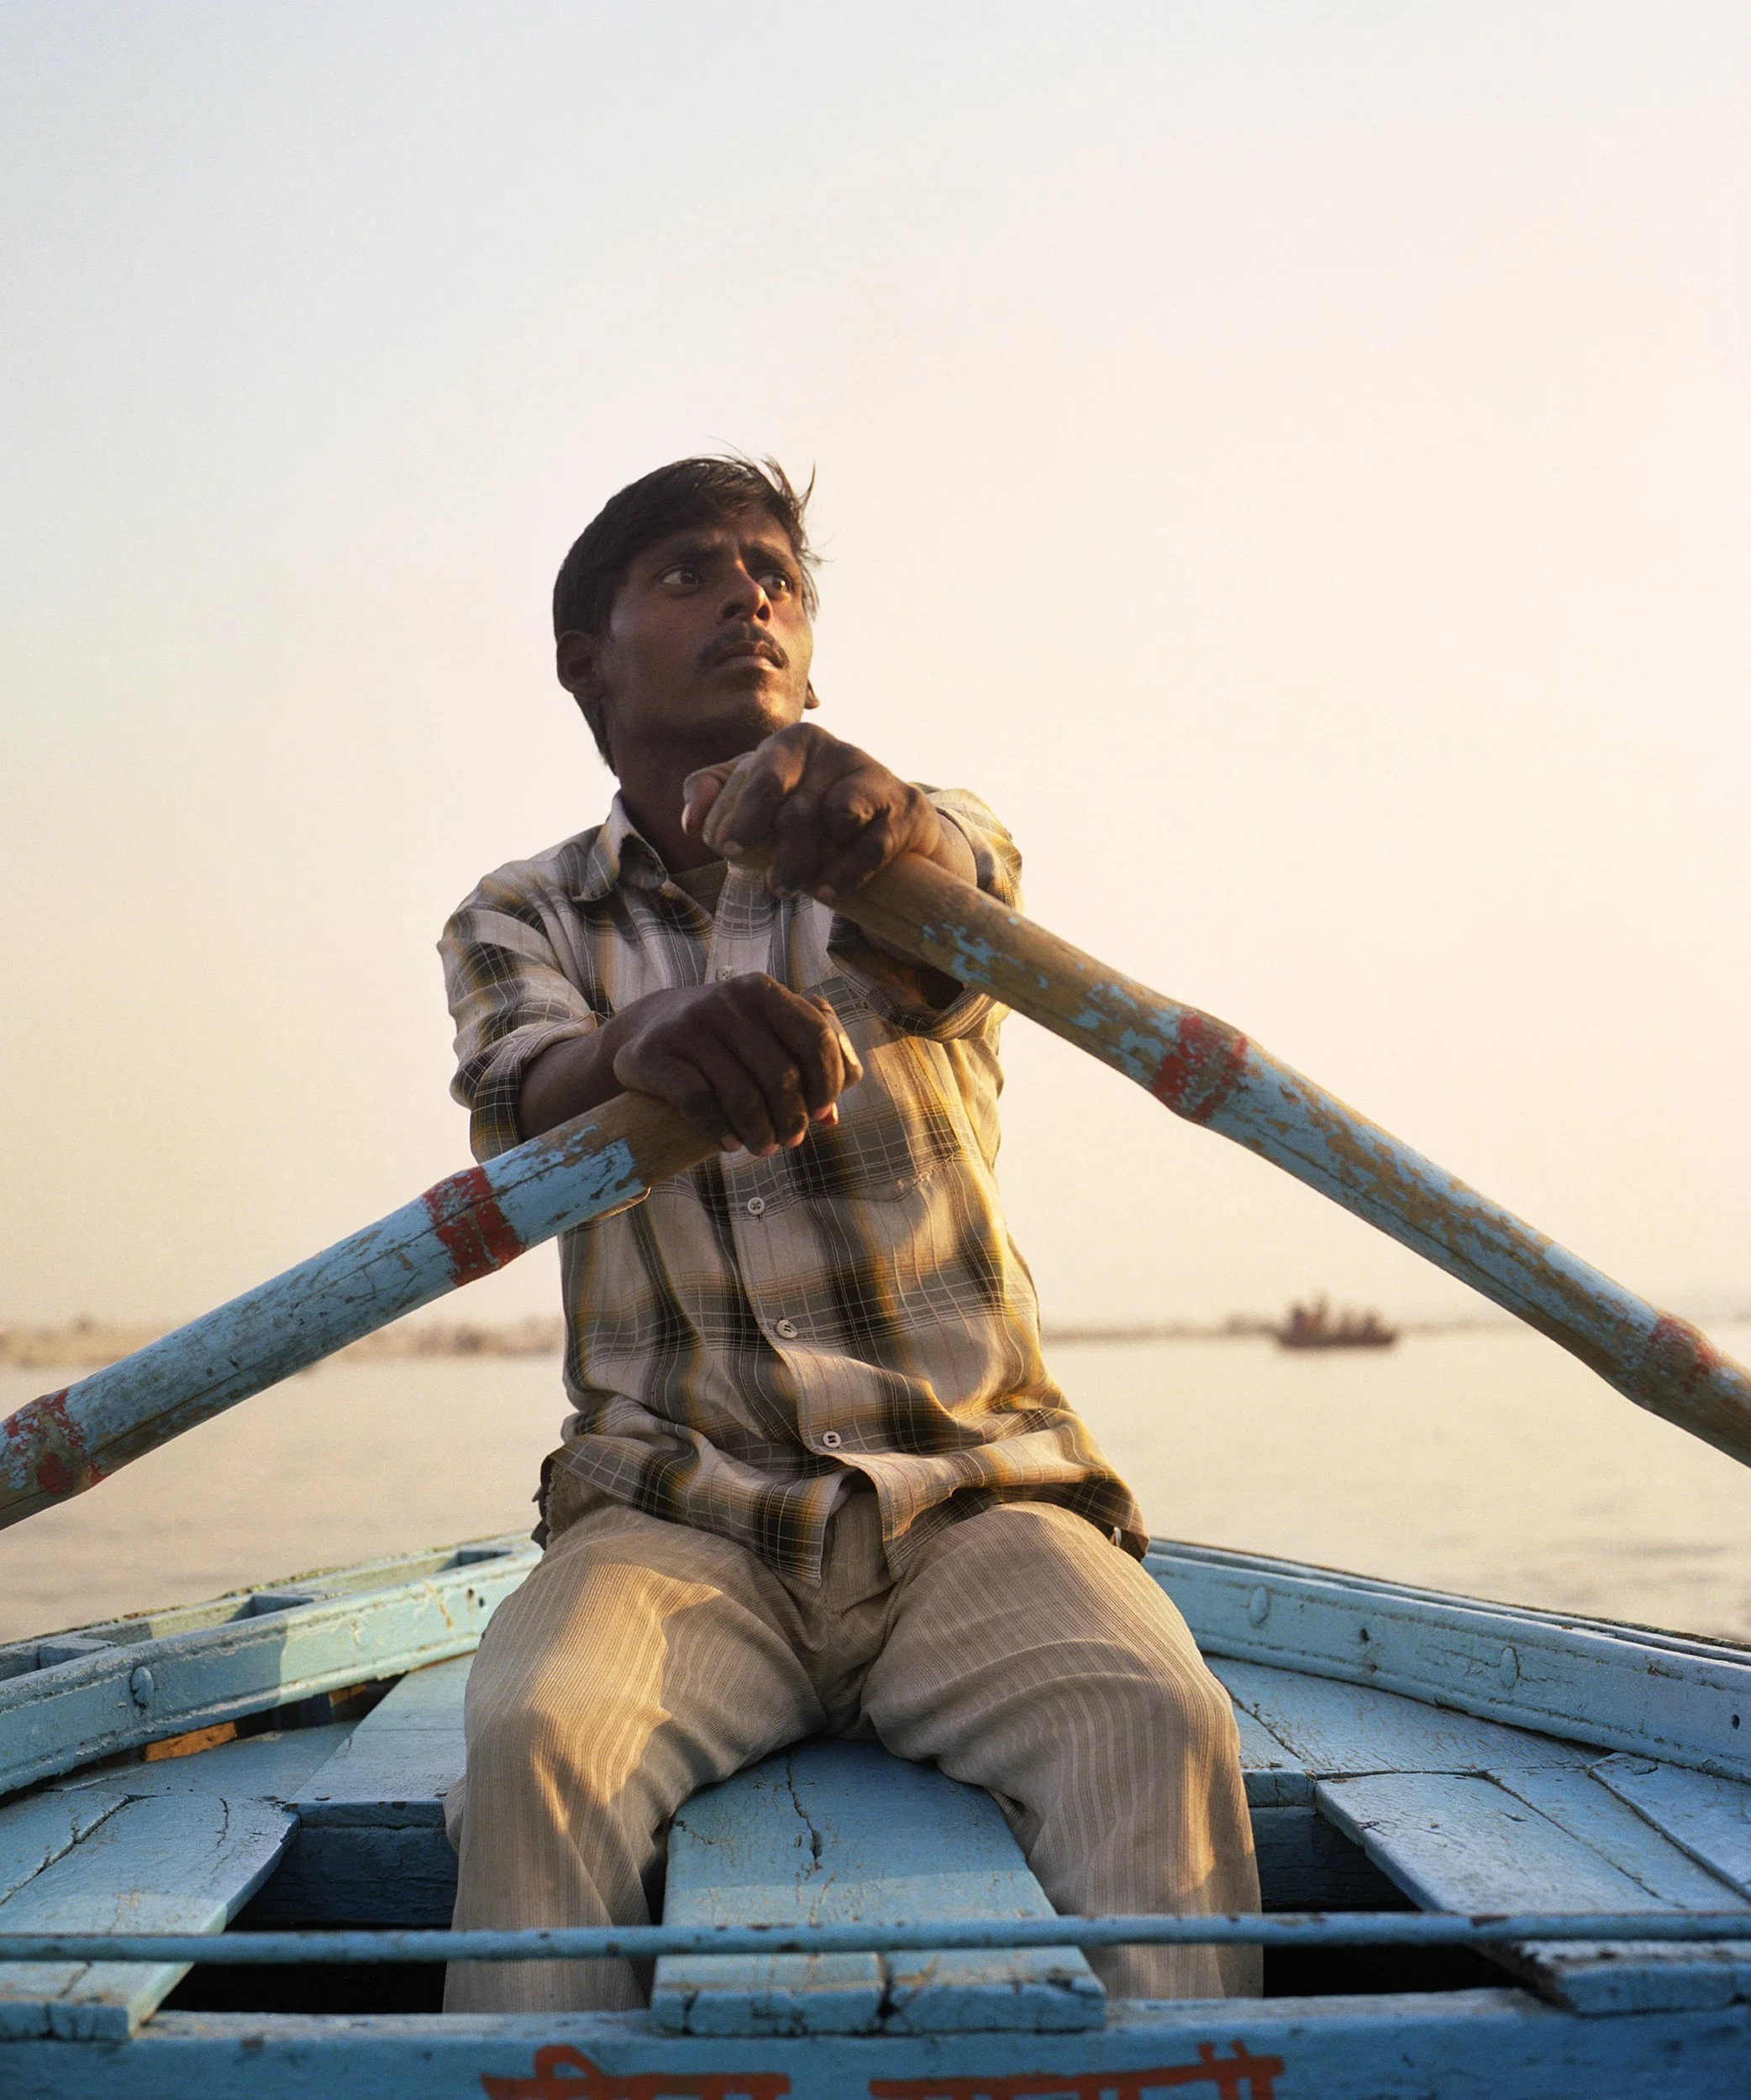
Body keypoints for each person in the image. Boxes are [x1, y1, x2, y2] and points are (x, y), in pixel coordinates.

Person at [436, 457, 1258, 2013]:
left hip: (975, 1504)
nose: (748, 595)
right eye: (688, 573)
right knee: (539, 1748)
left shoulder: (908, 840)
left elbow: (951, 893)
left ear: (808, 656)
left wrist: (885, 837)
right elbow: (526, 1088)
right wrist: (644, 1045)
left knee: (1158, 1726)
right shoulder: (523, 911)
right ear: (587, 662)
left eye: (776, 579)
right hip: (672, 1519)